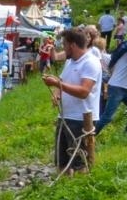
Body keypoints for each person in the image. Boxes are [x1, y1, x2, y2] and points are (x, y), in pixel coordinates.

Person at [42, 26, 100, 174]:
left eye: (65, 45)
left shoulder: (91, 62)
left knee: (79, 161)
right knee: (61, 160)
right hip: (65, 116)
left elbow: (84, 92)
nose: (63, 48)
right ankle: (63, 188)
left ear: (72, 45)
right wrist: (57, 93)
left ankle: (80, 191)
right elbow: (63, 79)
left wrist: (57, 84)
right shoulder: (70, 61)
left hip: (81, 118)